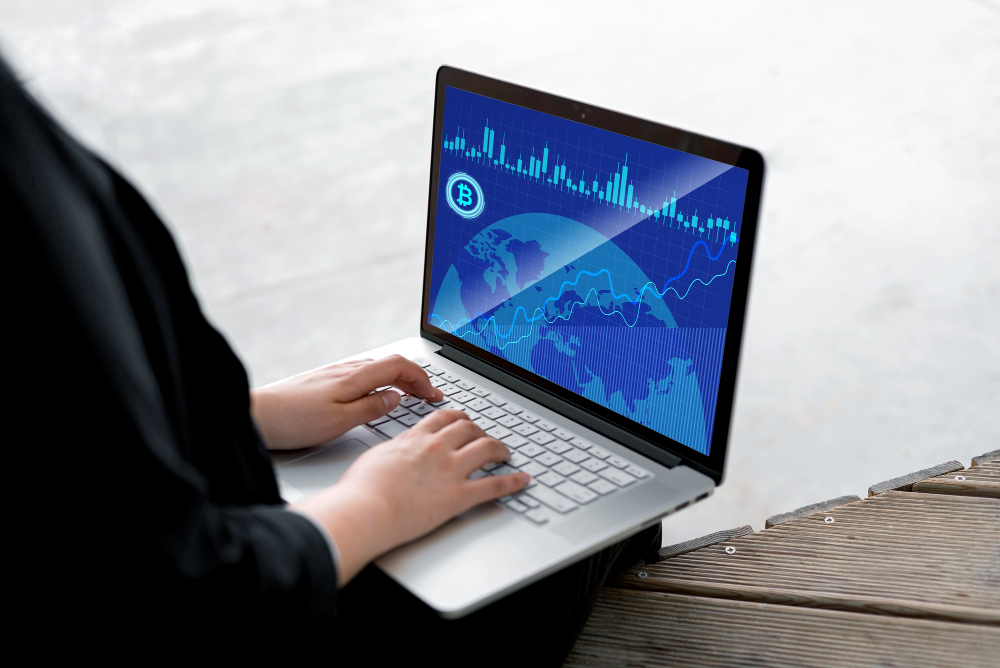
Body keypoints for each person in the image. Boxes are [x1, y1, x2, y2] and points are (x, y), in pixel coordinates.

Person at [4, 54, 658, 659]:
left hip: (264, 539)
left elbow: (63, 447)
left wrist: (243, 416)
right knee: (622, 520)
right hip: (278, 608)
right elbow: (174, 598)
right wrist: (374, 506)